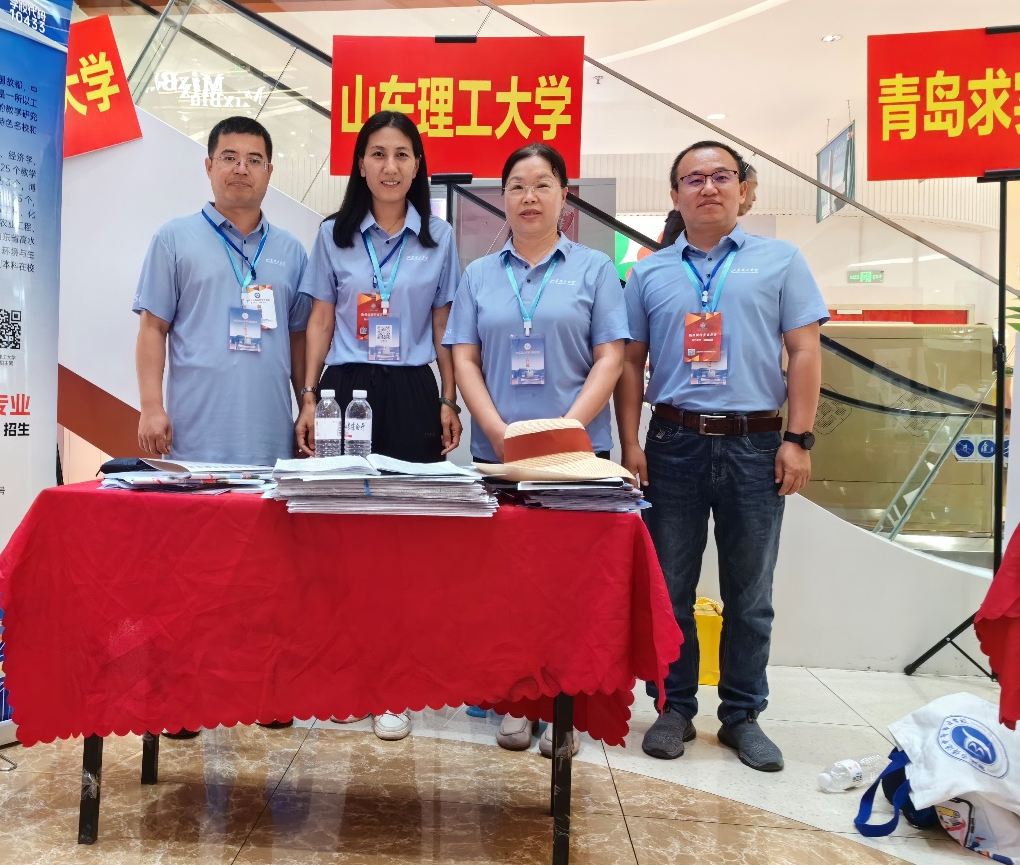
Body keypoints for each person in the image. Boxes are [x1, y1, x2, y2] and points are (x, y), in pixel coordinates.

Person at [614, 140, 826, 772]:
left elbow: (805, 351)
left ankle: (742, 716)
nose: (708, 187)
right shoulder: (649, 273)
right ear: (675, 194)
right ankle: (673, 707)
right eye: (694, 178)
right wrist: (631, 443)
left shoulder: (781, 261)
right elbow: (628, 362)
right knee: (670, 587)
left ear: (744, 189)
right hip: (672, 442)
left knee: (750, 591)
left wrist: (799, 438)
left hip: (756, 444)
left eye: (721, 176)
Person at [444, 142, 628, 759]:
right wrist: (498, 430)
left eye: (543, 185)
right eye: (517, 186)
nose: (530, 197)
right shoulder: (479, 275)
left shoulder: (595, 269)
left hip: (578, 456)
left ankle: (566, 707)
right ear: (502, 198)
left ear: (564, 196)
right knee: (507, 582)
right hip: (499, 455)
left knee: (572, 586)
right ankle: (517, 703)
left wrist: (566, 429)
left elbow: (611, 357)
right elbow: (464, 358)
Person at [133, 115, 311, 736]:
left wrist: (306, 405)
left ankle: (267, 690)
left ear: (270, 171)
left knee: (266, 574)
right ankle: (185, 698)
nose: (241, 168)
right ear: (208, 166)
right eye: (229, 156)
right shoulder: (174, 239)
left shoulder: (291, 251)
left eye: (254, 159)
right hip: (194, 438)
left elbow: (299, 339)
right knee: (191, 575)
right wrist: (151, 407)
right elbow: (152, 329)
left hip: (268, 439)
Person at [294, 110, 462, 742]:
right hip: (345, 390)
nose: (390, 166)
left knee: (406, 540)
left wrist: (449, 399)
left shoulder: (439, 239)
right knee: (344, 535)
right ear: (360, 165)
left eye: (402, 154)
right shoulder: (332, 235)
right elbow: (319, 320)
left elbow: (444, 326)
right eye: (378, 154)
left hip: (413, 390)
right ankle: (348, 673)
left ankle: (395, 683)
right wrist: (308, 396)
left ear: (417, 167)